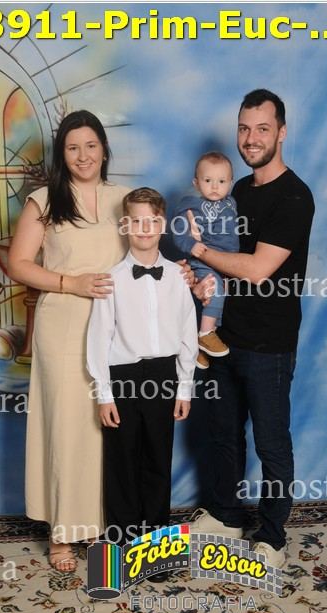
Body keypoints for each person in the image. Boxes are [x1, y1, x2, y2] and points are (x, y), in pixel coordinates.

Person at [8, 112, 194, 572]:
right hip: (64, 326)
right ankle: (63, 532)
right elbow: (18, 264)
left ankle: (103, 526)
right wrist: (69, 283)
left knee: (108, 434)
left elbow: (147, 249)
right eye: (72, 147)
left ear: (104, 149)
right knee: (68, 430)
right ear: (62, 154)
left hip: (120, 333)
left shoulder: (120, 200)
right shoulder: (44, 200)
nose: (83, 155)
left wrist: (182, 273)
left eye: (91, 145)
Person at [189, 89, 314, 569]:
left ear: (282, 132)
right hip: (224, 336)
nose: (251, 138)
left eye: (262, 128)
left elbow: (259, 269)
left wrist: (200, 252)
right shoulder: (236, 189)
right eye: (244, 128)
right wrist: (196, 277)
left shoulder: (295, 196)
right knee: (222, 433)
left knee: (271, 442)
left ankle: (273, 537)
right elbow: (220, 266)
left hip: (270, 344)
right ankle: (226, 515)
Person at [87, 187, 198, 581]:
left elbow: (188, 333)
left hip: (164, 376)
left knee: (157, 461)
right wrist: (104, 394)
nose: (144, 228)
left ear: (162, 224)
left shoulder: (178, 277)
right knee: (121, 462)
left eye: (152, 221)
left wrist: (184, 387)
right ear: (125, 226)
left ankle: (156, 550)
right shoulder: (111, 280)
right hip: (123, 378)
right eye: (136, 221)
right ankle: (120, 550)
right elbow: (99, 338)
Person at [172, 152, 238, 370]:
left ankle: (201, 350)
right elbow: (179, 232)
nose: (215, 187)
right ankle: (206, 334)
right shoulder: (191, 205)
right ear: (196, 183)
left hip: (227, 263)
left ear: (230, 183)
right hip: (203, 261)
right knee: (214, 291)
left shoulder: (231, 203)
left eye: (222, 181)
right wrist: (191, 245)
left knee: (219, 303)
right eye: (208, 180)